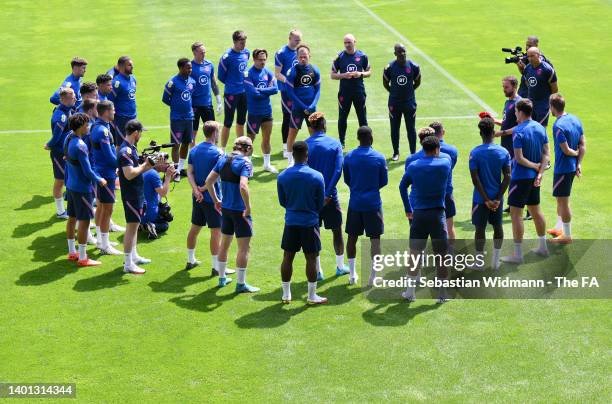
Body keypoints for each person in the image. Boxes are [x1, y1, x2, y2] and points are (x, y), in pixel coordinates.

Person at [399, 136, 451, 302]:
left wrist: (408, 208)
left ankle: (410, 292)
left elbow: (402, 186)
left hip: (419, 215)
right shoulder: (445, 163)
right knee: (441, 256)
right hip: (438, 215)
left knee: (415, 254)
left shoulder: (414, 166)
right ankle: (442, 295)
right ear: (437, 149)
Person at [205, 136, 258, 292]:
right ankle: (240, 284)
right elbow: (243, 185)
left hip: (226, 209)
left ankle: (222, 279)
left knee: (224, 245)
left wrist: (216, 200)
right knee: (244, 248)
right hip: (240, 211)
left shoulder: (224, 159)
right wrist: (247, 207)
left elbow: (209, 181)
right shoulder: (245, 162)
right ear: (247, 148)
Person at [277, 141, 327, 304]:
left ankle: (286, 294)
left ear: (292, 153)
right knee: (311, 258)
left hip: (291, 221)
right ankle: (312, 296)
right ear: (307, 154)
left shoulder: (283, 176)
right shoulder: (317, 176)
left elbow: (283, 201)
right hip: (310, 223)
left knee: (287, 257)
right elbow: (320, 203)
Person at [502, 99, 550, 264]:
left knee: (516, 215)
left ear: (520, 112)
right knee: (536, 211)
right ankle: (543, 247)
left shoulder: (519, 131)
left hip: (520, 178)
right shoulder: (540, 128)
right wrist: (540, 172)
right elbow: (546, 154)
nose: (515, 113)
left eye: (515, 111)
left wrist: (535, 166)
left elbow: (520, 158)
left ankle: (518, 255)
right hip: (534, 179)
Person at [186, 121, 236, 276]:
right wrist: (203, 189)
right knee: (216, 232)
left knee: (195, 228)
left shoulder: (194, 150)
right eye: (219, 131)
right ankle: (216, 267)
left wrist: (196, 190)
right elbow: (216, 176)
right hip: (212, 199)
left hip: (198, 198)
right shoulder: (218, 153)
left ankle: (190, 259)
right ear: (214, 133)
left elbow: (189, 172)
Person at [304, 112, 349, 280]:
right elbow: (338, 170)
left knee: (313, 233)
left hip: (310, 198)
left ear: (311, 127)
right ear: (323, 125)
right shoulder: (334, 143)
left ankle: (318, 270)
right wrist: (328, 193)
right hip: (330, 197)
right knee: (337, 230)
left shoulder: (305, 145)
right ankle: (339, 266)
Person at [343, 126, 388, 285]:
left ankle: (352, 274)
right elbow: (384, 181)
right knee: (375, 241)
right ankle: (373, 276)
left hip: (355, 203)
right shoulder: (379, 157)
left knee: (352, 238)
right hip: (373, 204)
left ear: (358, 138)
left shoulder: (349, 157)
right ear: (371, 138)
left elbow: (347, 179)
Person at [63, 113, 107, 266]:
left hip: (70, 186)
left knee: (72, 218)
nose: (88, 127)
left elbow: (65, 157)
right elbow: (87, 171)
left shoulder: (68, 138)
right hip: (82, 189)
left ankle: (72, 252)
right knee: (84, 222)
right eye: (87, 125)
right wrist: (100, 180)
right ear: (81, 127)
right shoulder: (81, 146)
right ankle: (83, 257)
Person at [469, 117, 511, 270]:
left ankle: (479, 263)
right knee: (498, 226)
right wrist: (497, 199)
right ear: (494, 133)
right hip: (497, 199)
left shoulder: (475, 153)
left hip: (480, 199)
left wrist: (486, 199)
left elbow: (475, 179)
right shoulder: (504, 152)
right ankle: (495, 261)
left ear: (481, 133)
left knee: (479, 229)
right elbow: (507, 176)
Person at [546, 93, 586, 244]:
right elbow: (582, 144)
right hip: (570, 168)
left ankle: (567, 235)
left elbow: (567, 150)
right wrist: (579, 163)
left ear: (552, 107)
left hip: (563, 168)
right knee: (560, 199)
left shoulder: (558, 125)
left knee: (563, 201)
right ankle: (559, 227)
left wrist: (575, 155)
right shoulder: (575, 119)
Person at [118, 119, 155, 274]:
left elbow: (137, 171)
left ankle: (134, 256)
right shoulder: (125, 151)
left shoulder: (131, 148)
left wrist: (152, 167)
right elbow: (129, 174)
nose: (141, 135)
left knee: (134, 226)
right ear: (135, 133)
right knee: (131, 228)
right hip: (131, 194)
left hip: (137, 192)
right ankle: (128, 264)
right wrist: (144, 166)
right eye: (140, 132)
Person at [90, 100, 122, 255]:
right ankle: (105, 245)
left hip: (101, 171)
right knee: (107, 209)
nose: (114, 112)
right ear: (106, 112)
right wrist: (122, 165)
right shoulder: (102, 130)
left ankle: (102, 241)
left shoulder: (100, 126)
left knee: (102, 207)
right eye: (113, 110)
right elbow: (109, 155)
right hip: (105, 174)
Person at [331, 34, 370, 148]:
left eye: (349, 42)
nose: (347, 45)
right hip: (344, 93)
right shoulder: (339, 57)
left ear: (355, 42)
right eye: (345, 43)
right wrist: (344, 75)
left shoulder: (362, 56)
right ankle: (341, 142)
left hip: (359, 92)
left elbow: (369, 72)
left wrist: (360, 74)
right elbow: (332, 75)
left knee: (362, 117)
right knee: (342, 117)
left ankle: (366, 142)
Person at [284, 44, 321, 167]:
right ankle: (290, 161)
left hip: (311, 109)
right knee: (292, 134)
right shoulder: (292, 71)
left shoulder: (314, 70)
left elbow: (318, 90)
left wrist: (312, 105)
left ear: (309, 56)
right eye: (300, 57)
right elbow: (290, 92)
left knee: (314, 135)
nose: (303, 59)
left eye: (305, 56)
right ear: (297, 57)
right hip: (298, 109)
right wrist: (302, 106)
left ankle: (313, 159)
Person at [383, 44, 421, 160]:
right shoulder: (389, 67)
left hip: (409, 103)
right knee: (394, 128)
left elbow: (417, 82)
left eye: (404, 51)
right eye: (399, 52)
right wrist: (394, 92)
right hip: (394, 103)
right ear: (395, 53)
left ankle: (413, 152)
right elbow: (385, 83)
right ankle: (396, 152)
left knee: (411, 128)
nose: (402, 54)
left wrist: (409, 91)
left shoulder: (414, 66)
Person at [244, 49, 279, 173]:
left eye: (264, 59)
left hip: (267, 112)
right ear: (254, 59)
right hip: (254, 113)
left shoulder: (268, 73)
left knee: (266, 139)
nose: (262, 62)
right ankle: (248, 167)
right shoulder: (248, 74)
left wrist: (260, 89)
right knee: (249, 141)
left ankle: (267, 164)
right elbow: (253, 94)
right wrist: (265, 91)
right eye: (260, 60)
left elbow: (275, 89)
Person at [162, 57, 196, 181]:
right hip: (177, 118)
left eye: (191, 67)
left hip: (189, 118)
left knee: (186, 143)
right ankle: (175, 171)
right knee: (176, 144)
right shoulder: (173, 82)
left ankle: (180, 169)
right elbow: (165, 99)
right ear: (181, 68)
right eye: (188, 68)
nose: (190, 70)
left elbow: (191, 97)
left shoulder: (192, 81)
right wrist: (176, 107)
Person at [45, 87, 75, 219]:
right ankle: (60, 211)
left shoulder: (67, 110)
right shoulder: (61, 116)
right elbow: (56, 136)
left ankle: (68, 208)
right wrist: (49, 145)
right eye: (71, 97)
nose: (74, 98)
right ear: (63, 99)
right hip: (59, 153)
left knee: (67, 179)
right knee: (60, 181)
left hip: (65, 151)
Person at [218, 30, 250, 150]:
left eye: (245, 42)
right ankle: (223, 149)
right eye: (241, 42)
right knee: (228, 122)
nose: (244, 44)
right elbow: (221, 76)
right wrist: (232, 84)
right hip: (231, 93)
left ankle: (242, 148)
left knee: (241, 121)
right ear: (235, 42)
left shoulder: (246, 53)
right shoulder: (227, 57)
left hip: (244, 92)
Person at [429, 121, 458, 250]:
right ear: (443, 132)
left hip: (431, 193)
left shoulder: (425, 150)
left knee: (428, 227)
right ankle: (450, 253)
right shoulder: (452, 150)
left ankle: (425, 255)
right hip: (447, 191)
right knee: (449, 226)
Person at [274, 30, 302, 156]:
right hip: (287, 91)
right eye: (296, 40)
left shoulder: (300, 51)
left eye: (299, 40)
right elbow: (277, 73)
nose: (298, 42)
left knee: (298, 116)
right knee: (287, 117)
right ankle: (286, 147)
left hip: (300, 90)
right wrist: (288, 81)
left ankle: (292, 144)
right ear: (289, 38)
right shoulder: (281, 53)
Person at [191, 42, 222, 144]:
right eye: (201, 53)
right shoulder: (190, 67)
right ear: (194, 53)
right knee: (192, 134)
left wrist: (218, 100)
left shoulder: (209, 65)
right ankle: (193, 156)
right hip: (194, 105)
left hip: (207, 104)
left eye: (204, 52)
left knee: (213, 131)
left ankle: (214, 155)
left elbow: (213, 82)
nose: (204, 54)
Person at [523, 47, 558, 127]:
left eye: (532, 56)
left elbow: (555, 89)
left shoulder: (547, 69)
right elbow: (527, 83)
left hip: (543, 105)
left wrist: (551, 105)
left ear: (538, 55)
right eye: (528, 56)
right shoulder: (527, 68)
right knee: (530, 128)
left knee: (540, 129)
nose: (530, 58)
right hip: (531, 104)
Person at [141, 161, 176, 238]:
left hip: (137, 212)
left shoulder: (142, 170)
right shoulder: (153, 174)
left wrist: (168, 179)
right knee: (165, 224)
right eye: (166, 163)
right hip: (149, 212)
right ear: (157, 163)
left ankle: (141, 225)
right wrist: (168, 176)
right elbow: (163, 194)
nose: (168, 166)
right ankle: (150, 225)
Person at [108, 56, 137, 145]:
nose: (132, 66)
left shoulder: (133, 79)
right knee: (121, 144)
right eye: (129, 65)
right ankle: (120, 159)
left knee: (134, 142)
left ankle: (133, 159)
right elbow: (109, 101)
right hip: (121, 119)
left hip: (133, 117)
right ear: (121, 67)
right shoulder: (117, 83)